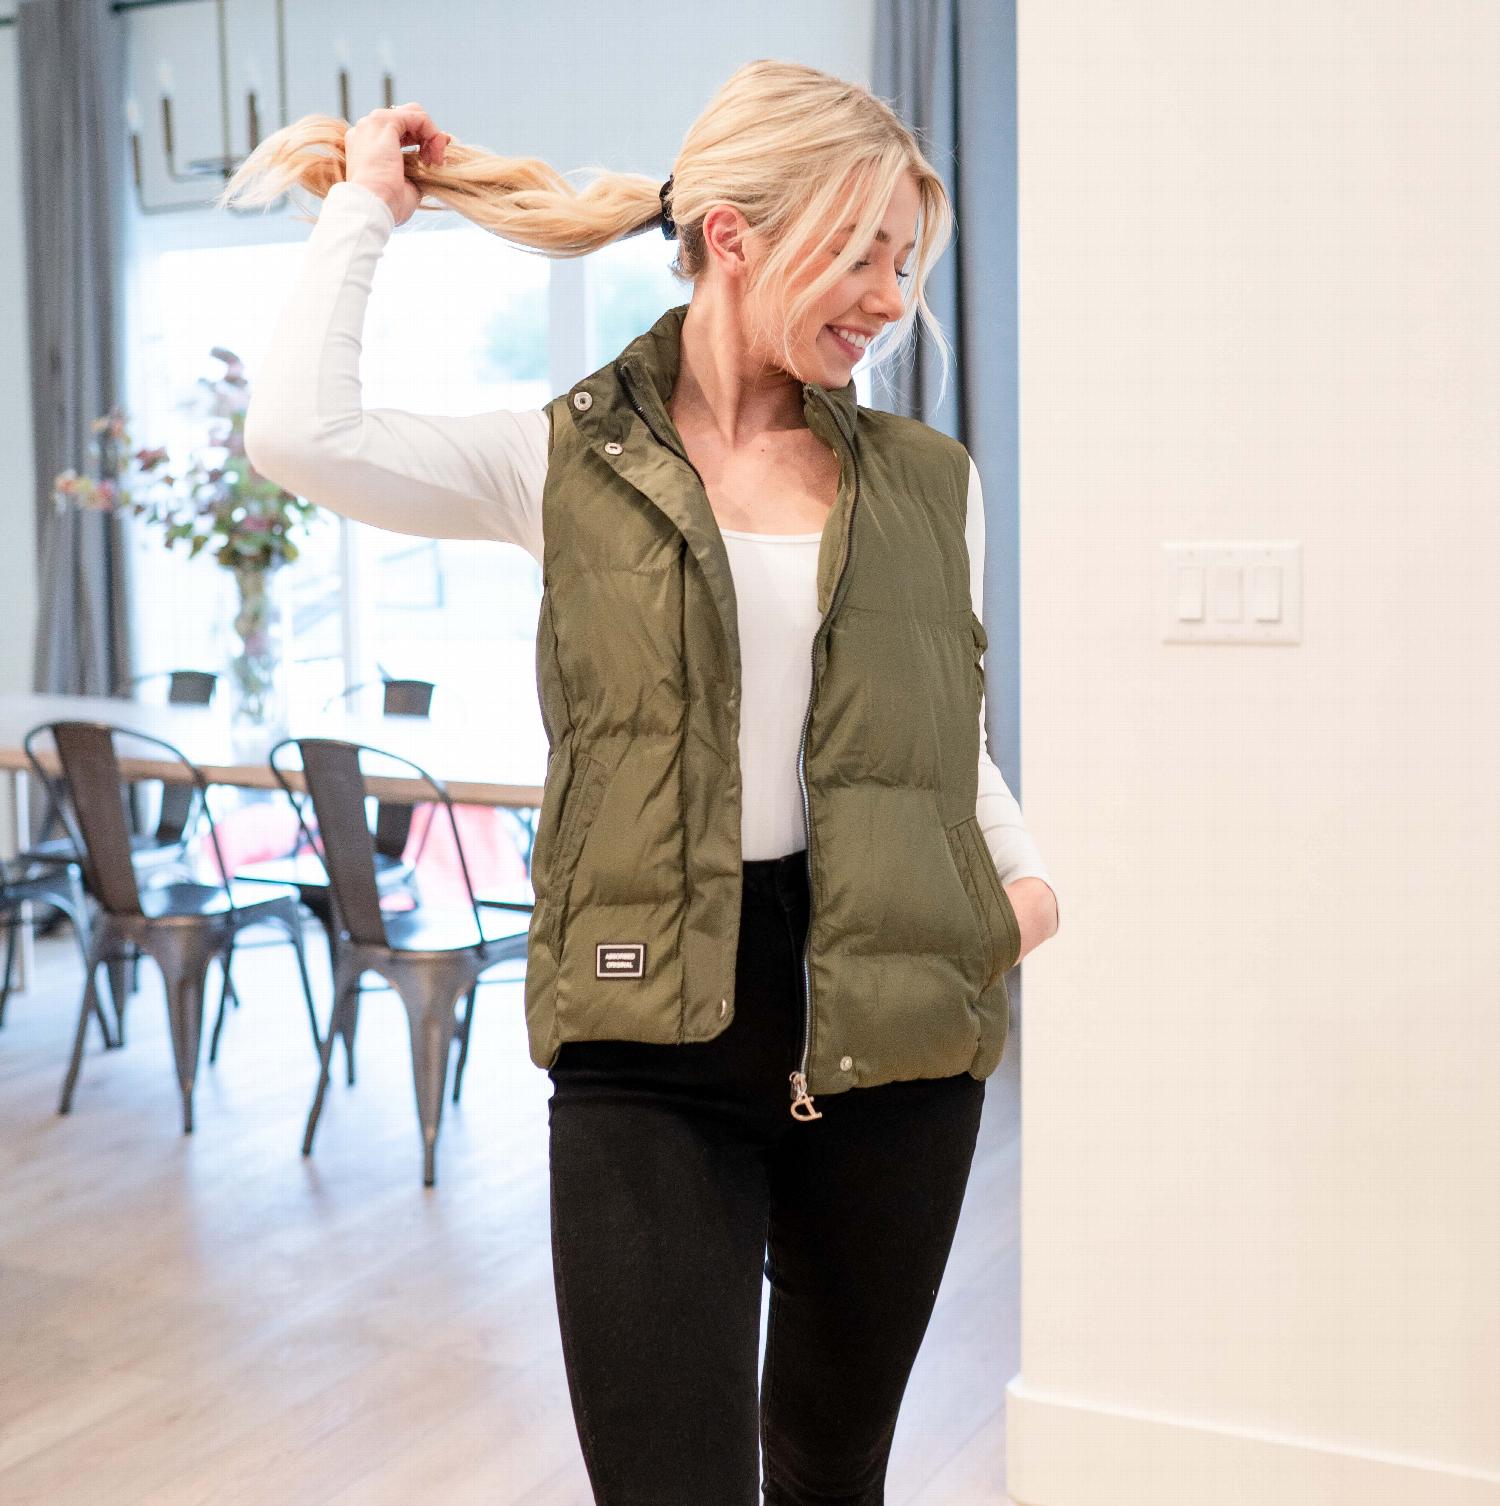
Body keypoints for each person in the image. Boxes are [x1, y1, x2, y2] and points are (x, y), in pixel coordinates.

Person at [225, 57, 1059, 1506]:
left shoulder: (931, 479)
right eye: (859, 249)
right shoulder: (562, 463)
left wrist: (1024, 879)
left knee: (829, 1463)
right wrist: (365, 211)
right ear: (734, 232)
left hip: (898, 1028)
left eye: (905, 259)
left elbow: (945, 724)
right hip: (646, 1025)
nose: (887, 293)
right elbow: (302, 436)